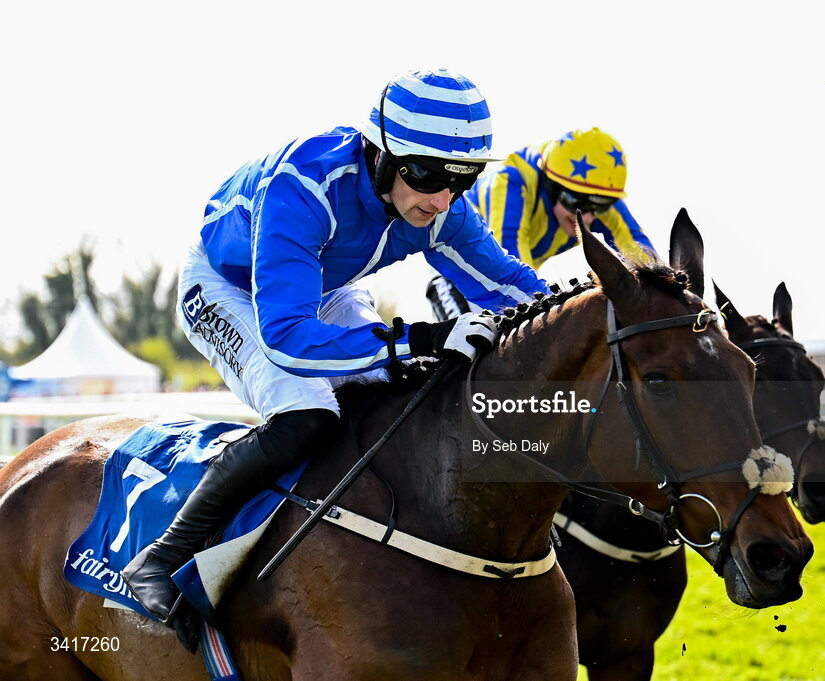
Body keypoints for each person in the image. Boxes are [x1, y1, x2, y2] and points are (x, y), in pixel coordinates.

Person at [122, 68, 549, 625]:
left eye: (463, 178)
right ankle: (162, 557)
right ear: (382, 155)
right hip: (228, 286)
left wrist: (599, 306)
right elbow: (288, 340)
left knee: (395, 390)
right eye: (427, 175)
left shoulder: (442, 209)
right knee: (307, 412)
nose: (443, 199)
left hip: (325, 285)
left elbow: (510, 285)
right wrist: (421, 337)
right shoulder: (304, 187)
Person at [427, 128, 655, 319]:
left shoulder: (597, 194)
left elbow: (649, 268)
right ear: (550, 185)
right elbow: (506, 269)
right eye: (575, 202)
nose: (586, 217)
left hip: (514, 277)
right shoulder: (509, 184)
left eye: (600, 206)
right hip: (460, 276)